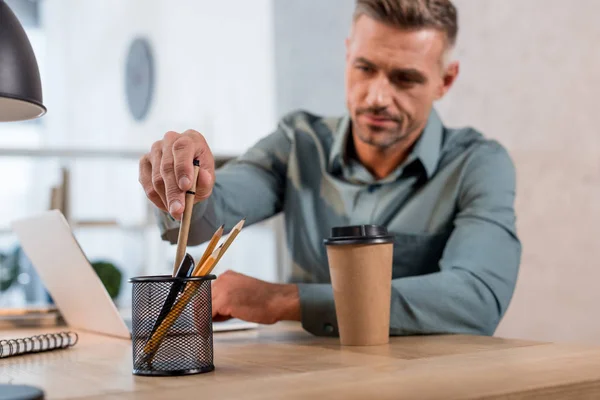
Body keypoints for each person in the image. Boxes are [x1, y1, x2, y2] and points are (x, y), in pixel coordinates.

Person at [138, 0, 521, 337]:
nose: (377, 97)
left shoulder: (477, 164)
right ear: (347, 55)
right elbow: (206, 218)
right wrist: (190, 187)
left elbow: (477, 299)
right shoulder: (298, 142)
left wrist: (286, 301)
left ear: (445, 80)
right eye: (365, 68)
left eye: (405, 78)